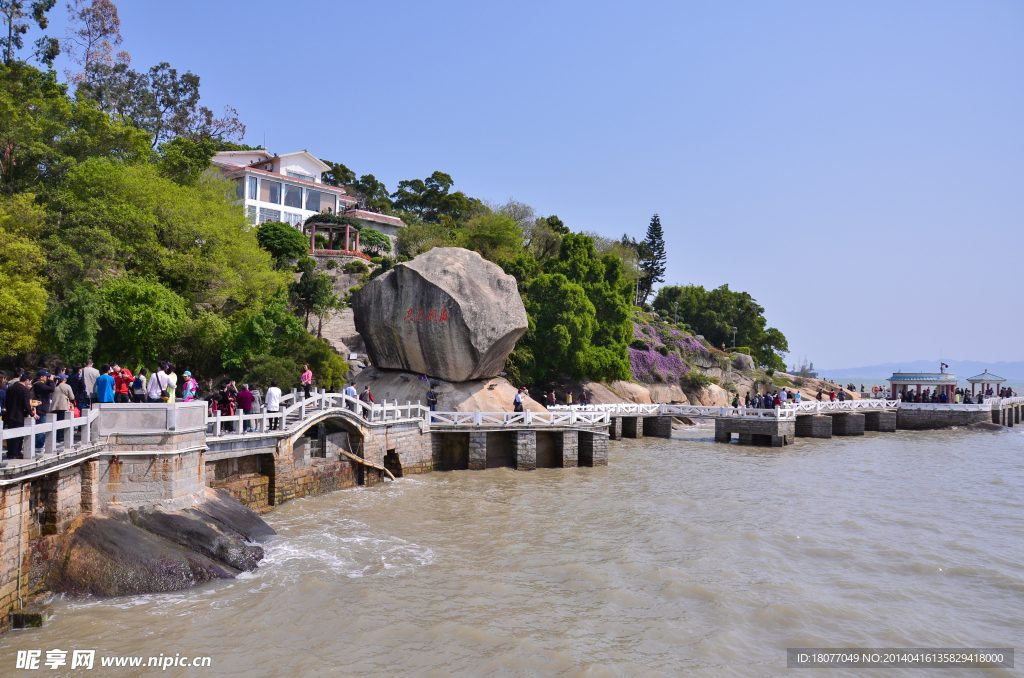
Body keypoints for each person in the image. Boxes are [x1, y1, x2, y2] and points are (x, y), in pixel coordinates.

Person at [3, 373, 37, 458]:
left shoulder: (11, 388)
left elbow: (7, 402)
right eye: (30, 381)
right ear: (27, 380)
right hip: (19, 415)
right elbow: (26, 405)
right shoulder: (25, 390)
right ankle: (16, 453)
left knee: (10, 435)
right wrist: (32, 414)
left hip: (10, 414)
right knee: (18, 435)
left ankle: (10, 452)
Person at [32, 370, 55, 449]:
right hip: (41, 409)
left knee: (40, 427)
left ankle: (38, 445)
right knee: (41, 428)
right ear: (41, 377)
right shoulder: (39, 384)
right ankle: (38, 445)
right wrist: (51, 381)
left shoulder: (39, 384)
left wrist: (49, 381)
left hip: (41, 409)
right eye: (46, 376)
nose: (47, 378)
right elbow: (52, 389)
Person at [51, 374, 75, 444]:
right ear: (63, 379)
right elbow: (72, 397)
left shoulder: (54, 386)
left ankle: (55, 437)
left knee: (55, 422)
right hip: (63, 406)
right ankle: (60, 437)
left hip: (54, 406)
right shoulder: (67, 386)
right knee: (62, 422)